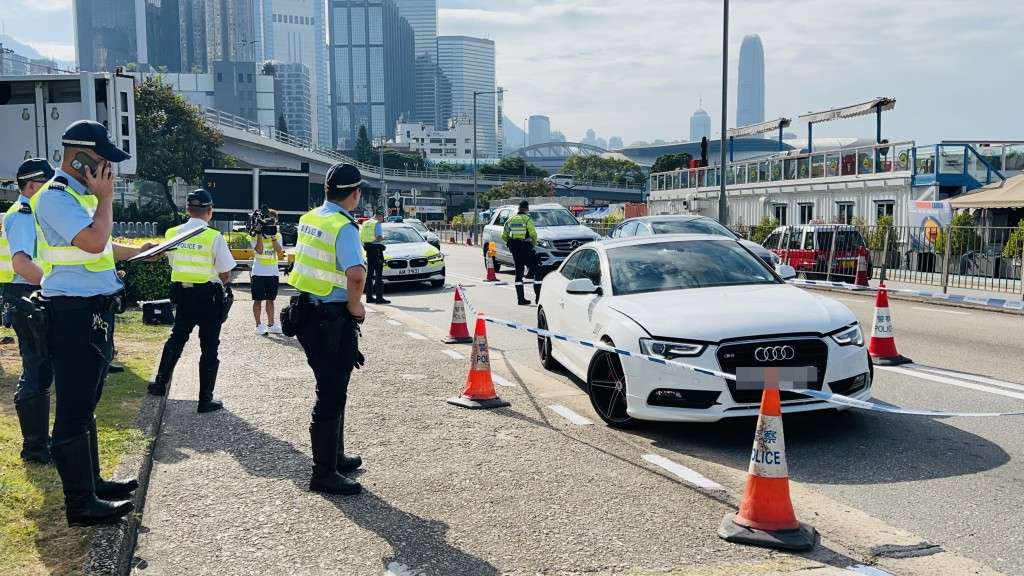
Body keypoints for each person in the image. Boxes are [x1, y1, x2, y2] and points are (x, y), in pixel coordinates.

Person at [32, 119, 157, 526]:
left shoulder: (79, 195)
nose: (109, 170)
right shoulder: (55, 196)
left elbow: (100, 248)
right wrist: (106, 199)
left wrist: (139, 251)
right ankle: (80, 503)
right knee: (73, 405)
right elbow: (93, 241)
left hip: (93, 311)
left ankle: (94, 483)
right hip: (72, 314)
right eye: (104, 161)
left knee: (87, 402)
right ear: (81, 156)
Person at [288, 163, 366, 496]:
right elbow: (356, 275)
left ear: (326, 190)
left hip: (305, 312)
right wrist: (355, 307)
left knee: (332, 386)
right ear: (355, 194)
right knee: (331, 391)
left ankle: (335, 457)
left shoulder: (310, 218)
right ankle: (323, 473)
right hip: (330, 319)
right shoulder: (344, 227)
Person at [147, 189, 235, 413]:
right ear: (209, 211)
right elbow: (226, 274)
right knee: (209, 347)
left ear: (187, 209)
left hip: (184, 296)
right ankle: (205, 400)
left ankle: (159, 383)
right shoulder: (213, 237)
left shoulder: (172, 233)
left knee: (177, 338)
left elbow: (172, 263)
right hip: (209, 298)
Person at [2, 158, 56, 464]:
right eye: (47, 187)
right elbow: (22, 264)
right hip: (27, 294)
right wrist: (59, 285)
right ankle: (34, 448)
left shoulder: (33, 214)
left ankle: (40, 441)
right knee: (35, 368)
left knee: (42, 367)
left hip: (32, 293)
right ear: (32, 186)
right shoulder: (23, 214)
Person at [250, 206, 284, 335]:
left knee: (271, 299)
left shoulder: (277, 234)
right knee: (258, 299)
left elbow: (279, 250)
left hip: (272, 272)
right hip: (258, 271)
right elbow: (259, 250)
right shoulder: (254, 235)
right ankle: (258, 325)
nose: (271, 222)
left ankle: (271, 324)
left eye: (273, 220)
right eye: (268, 220)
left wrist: (273, 236)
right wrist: (259, 234)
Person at [501, 200, 538, 306]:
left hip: (515, 250)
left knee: (519, 274)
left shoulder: (510, 220)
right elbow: (533, 234)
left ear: (518, 209)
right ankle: (538, 299)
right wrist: (533, 245)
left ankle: (521, 299)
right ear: (527, 209)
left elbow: (504, 235)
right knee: (537, 273)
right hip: (526, 248)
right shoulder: (527, 219)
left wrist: (509, 242)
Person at [360, 209, 388, 304]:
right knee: (379, 274)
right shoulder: (376, 224)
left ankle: (369, 297)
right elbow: (378, 238)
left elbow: (362, 237)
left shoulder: (366, 223)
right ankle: (379, 298)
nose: (382, 219)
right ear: (379, 216)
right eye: (382, 217)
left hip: (368, 250)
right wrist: (383, 238)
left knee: (370, 274)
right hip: (376, 250)